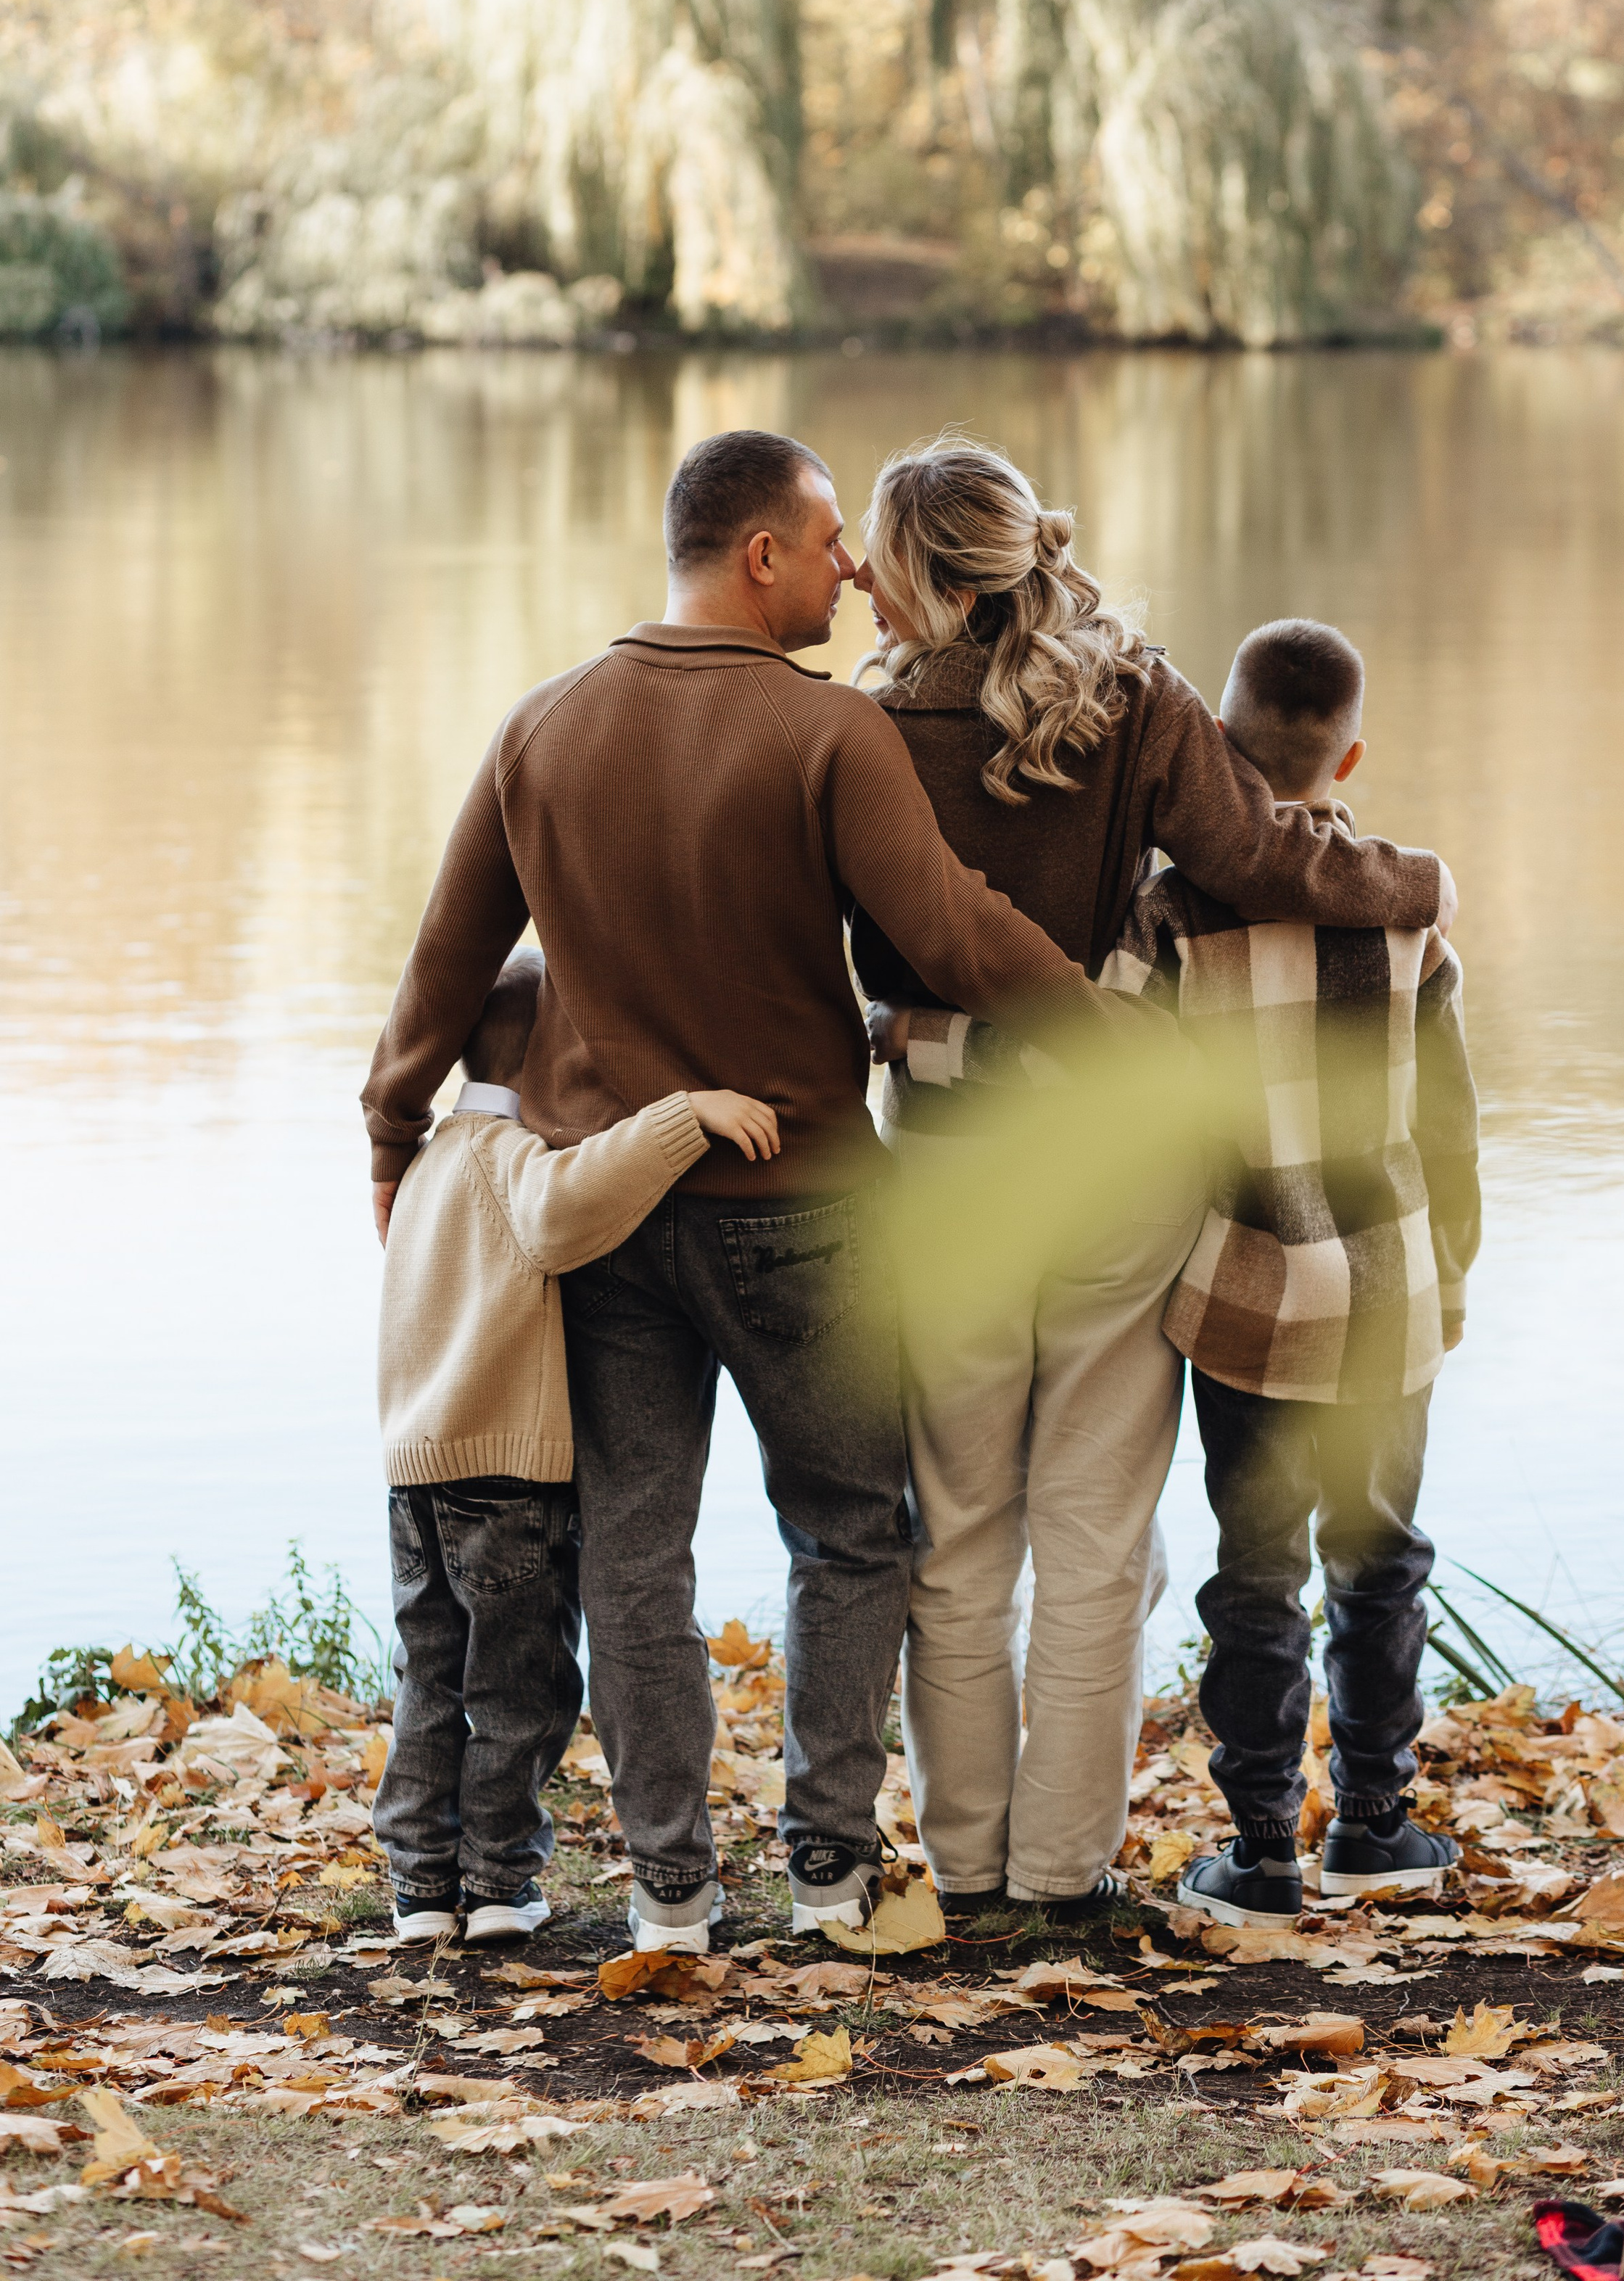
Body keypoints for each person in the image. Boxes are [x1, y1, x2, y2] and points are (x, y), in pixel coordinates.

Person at [362, 429, 1108, 1955]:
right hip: (806, 1212)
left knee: (636, 1551)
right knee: (848, 1530)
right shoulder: (826, 736)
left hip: (609, 1210)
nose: (851, 568)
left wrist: (390, 1131)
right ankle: (828, 1871)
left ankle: (668, 1893)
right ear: (756, 551)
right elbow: (955, 939)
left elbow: (440, 969)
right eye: (828, 539)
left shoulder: (541, 729)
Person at [851, 437, 1454, 1919]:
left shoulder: (851, 727)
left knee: (960, 1523)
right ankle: (1065, 1871)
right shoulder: (1130, 696)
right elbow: (1259, 858)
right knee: (1095, 1529)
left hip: (940, 1159)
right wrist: (1411, 887)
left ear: (912, 568)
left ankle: (966, 1864)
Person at [1113, 619, 1480, 1925]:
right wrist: (1456, 1264)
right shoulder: (1409, 911)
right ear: (1353, 752)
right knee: (1380, 1558)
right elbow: (1450, 1116)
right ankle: (1377, 1823)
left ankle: (1263, 1844)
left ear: (1217, 743)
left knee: (1253, 1567)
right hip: (1390, 1293)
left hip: (1249, 1295)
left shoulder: (1170, 912)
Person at [371, 946, 779, 1946]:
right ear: (555, 1046)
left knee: (431, 1679)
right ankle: (500, 1881)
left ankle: (423, 1887)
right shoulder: (513, 1161)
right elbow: (568, 1209)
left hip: (417, 1474)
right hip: (508, 1478)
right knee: (519, 1691)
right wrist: (687, 1114)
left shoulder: (427, 1161)